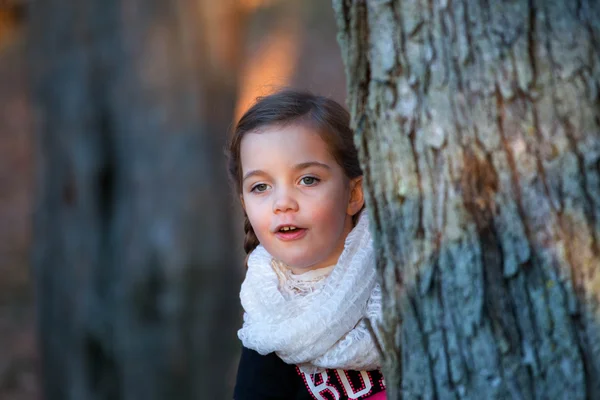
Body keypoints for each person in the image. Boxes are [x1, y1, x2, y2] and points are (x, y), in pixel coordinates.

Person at [227, 90, 386, 400]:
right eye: (260, 186)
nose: (283, 203)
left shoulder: (404, 285)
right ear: (245, 203)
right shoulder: (269, 325)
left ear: (354, 194)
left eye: (308, 180)